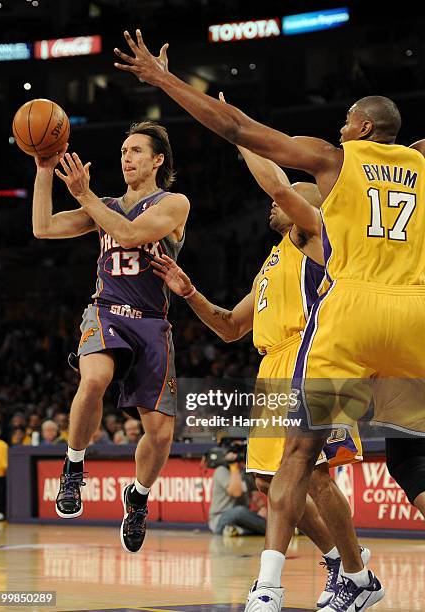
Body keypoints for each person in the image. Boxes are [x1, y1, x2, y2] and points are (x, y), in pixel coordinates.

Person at [115, 34, 425, 609]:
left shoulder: (334, 166)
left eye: (345, 124)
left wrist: (164, 81)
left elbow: (238, 130)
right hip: (416, 316)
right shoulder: (419, 162)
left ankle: (277, 587)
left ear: (359, 130)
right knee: (408, 459)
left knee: (304, 461)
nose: (338, 131)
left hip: (350, 320)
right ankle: (349, 576)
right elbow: (234, 324)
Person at [152, 137, 369, 609]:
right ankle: (341, 561)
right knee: (270, 482)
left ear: (305, 205)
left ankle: (356, 571)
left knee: (314, 475)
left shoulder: (319, 236)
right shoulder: (271, 262)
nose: (273, 204)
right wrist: (189, 293)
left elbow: (276, 183)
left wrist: (237, 133)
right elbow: (230, 327)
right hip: (272, 369)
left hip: (315, 358)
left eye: (284, 198)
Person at [32, 116, 190, 555]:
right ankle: (73, 467)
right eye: (123, 152)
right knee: (94, 379)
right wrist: (44, 170)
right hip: (106, 313)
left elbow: (130, 233)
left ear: (158, 160)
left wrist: (84, 195)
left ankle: (137, 497)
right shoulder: (103, 205)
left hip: (152, 321)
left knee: (160, 435)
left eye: (136, 151)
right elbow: (42, 227)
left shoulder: (174, 203)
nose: (127, 158)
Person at [209, 442, 266, 537]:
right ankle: (276, 530)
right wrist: (233, 465)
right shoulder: (221, 471)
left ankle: (237, 531)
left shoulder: (245, 474)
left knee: (245, 515)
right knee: (239, 511)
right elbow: (236, 492)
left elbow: (257, 500)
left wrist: (263, 509)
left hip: (242, 519)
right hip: (220, 518)